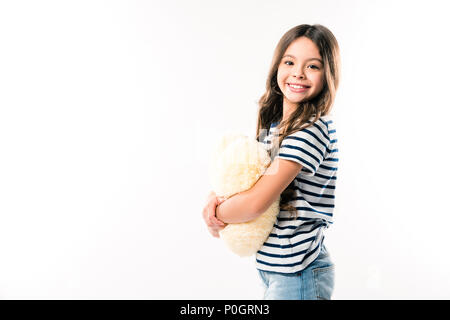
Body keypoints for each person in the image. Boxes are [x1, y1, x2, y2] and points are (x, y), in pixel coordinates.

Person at [202, 24, 340, 300]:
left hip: (298, 270)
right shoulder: (277, 128)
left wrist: (217, 214)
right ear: (277, 66)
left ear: (328, 75)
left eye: (312, 66)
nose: (298, 73)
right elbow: (250, 180)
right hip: (276, 268)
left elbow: (255, 202)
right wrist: (214, 200)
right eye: (289, 62)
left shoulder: (309, 131)